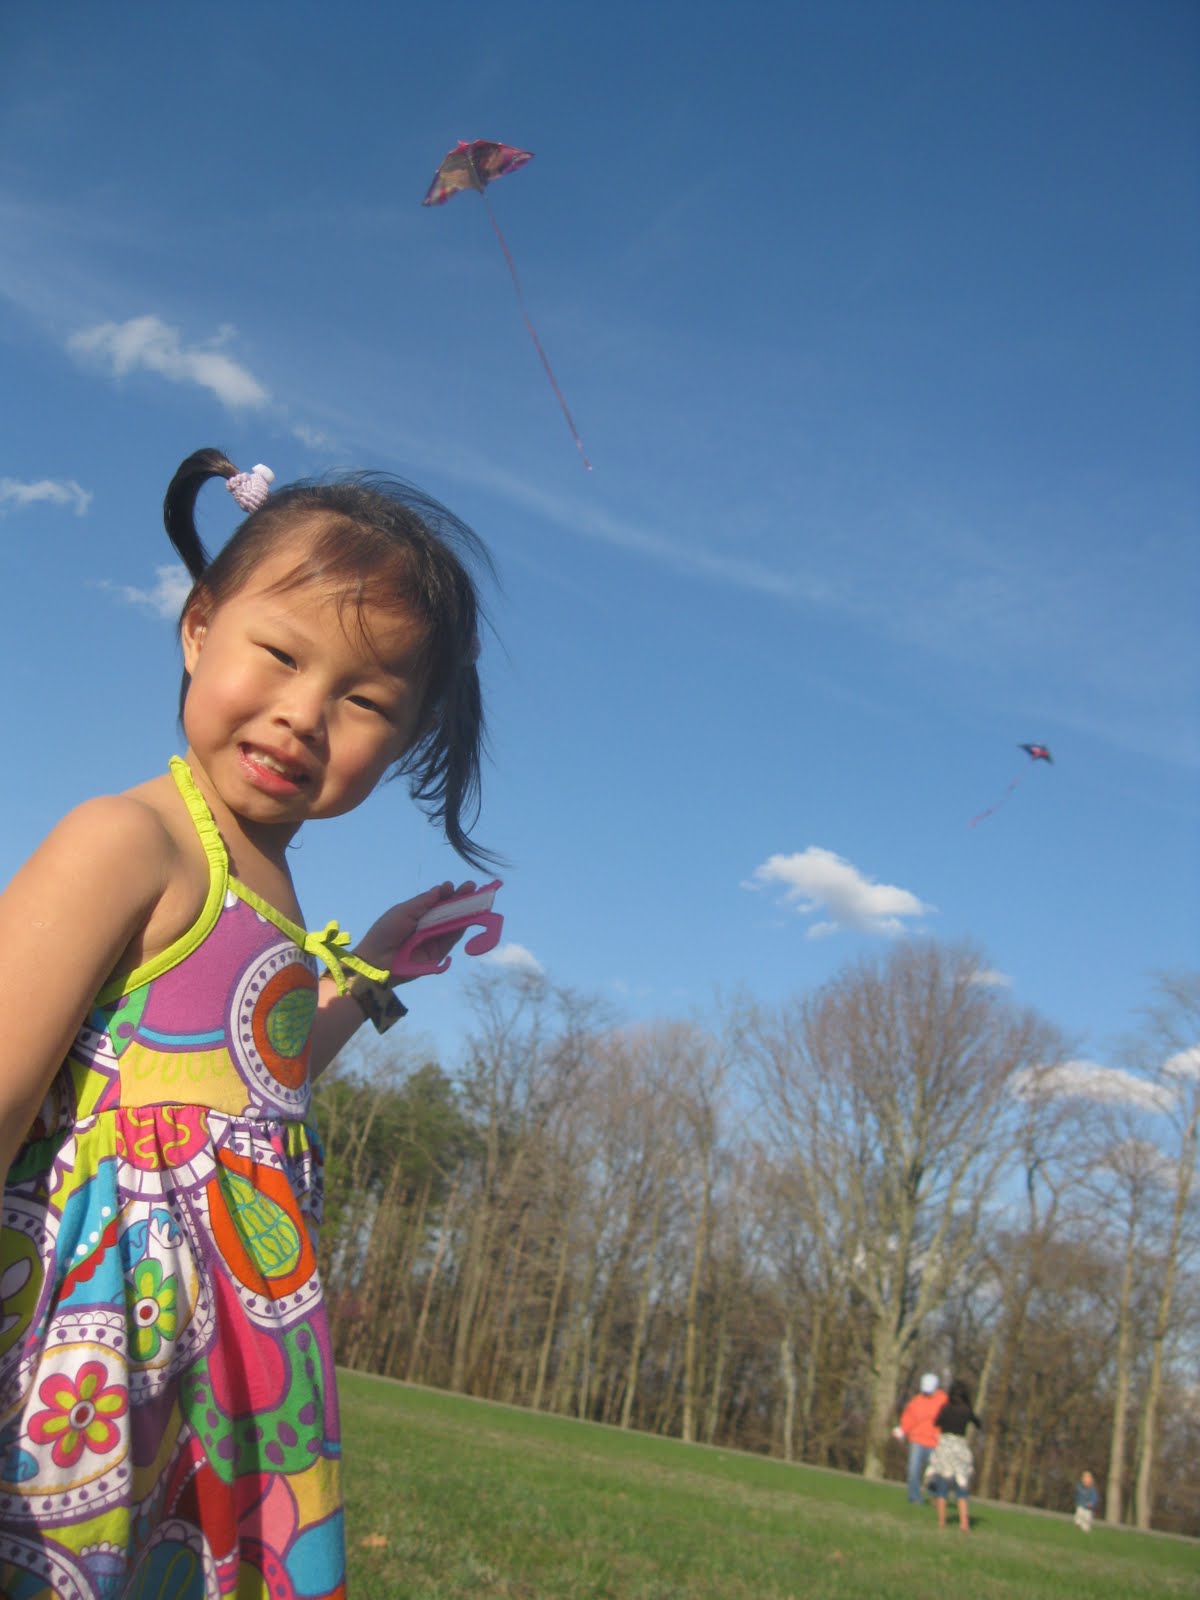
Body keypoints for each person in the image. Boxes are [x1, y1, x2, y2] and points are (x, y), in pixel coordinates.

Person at [0, 448, 496, 1598]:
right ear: (196, 628)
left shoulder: (271, 884)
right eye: (279, 653)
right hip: (85, 1347)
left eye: (366, 699)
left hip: (223, 1366)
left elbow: (251, 1095)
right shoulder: (129, 840)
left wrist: (367, 973)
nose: (303, 713)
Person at [926, 1379, 983, 1531]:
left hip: (944, 1448)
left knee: (942, 1488)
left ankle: (942, 1521)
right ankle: (964, 1523)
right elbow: (978, 1423)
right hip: (960, 1450)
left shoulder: (946, 1408)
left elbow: (936, 1422)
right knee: (961, 1488)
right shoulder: (966, 1410)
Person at [894, 1371, 946, 1504]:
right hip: (917, 1440)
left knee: (935, 1473)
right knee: (913, 1471)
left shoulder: (943, 1400)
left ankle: (935, 1496)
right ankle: (915, 1498)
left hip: (935, 1442)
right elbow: (909, 1418)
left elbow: (947, 1418)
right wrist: (902, 1430)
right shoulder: (916, 1401)